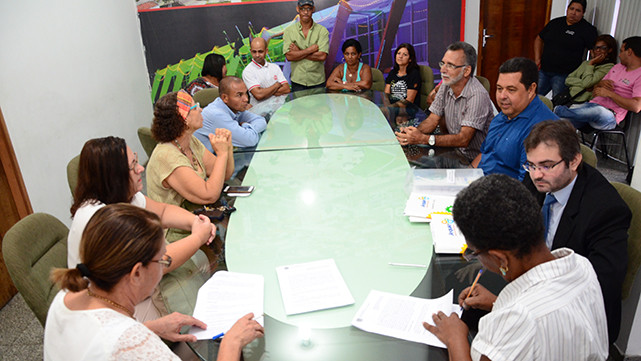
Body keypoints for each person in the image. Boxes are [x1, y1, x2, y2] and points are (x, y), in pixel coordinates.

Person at [45, 204, 264, 361]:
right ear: (137, 273)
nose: (165, 264)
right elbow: (119, 345)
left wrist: (150, 327)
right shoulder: (132, 342)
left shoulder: (66, 295)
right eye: (162, 259)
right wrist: (231, 344)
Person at [424, 174, 608, 361]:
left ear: (500, 259)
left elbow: (528, 320)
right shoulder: (581, 265)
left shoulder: (520, 319)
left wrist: (455, 338)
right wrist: (498, 304)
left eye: (474, 253)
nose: (476, 260)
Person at [68, 136, 215, 320]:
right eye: (133, 165)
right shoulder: (100, 219)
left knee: (199, 266)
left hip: (133, 286)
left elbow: (161, 212)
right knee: (191, 318)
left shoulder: (123, 194)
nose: (141, 168)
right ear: (115, 177)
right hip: (110, 309)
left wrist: (195, 222)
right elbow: (157, 262)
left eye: (136, 160)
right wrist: (197, 238)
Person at [522, 120, 631, 343]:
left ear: (574, 161)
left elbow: (597, 287)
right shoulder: (541, 177)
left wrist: (507, 302)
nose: (536, 175)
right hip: (536, 288)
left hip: (578, 319)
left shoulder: (606, 211)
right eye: (531, 165)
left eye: (546, 165)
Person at [394, 41, 494, 162]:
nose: (442, 70)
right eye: (443, 63)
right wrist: (412, 134)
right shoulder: (446, 85)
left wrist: (423, 139)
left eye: (450, 65)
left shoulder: (477, 95)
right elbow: (432, 120)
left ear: (466, 71)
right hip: (451, 150)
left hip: (472, 161)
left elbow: (464, 139)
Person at [472, 57, 559, 180]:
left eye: (511, 90)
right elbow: (485, 154)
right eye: (499, 88)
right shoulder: (504, 114)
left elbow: (527, 187)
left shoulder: (544, 130)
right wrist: (465, 178)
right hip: (479, 183)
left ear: (531, 90)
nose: (502, 96)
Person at [147, 90, 234, 210]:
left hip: (197, 216)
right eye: (195, 107)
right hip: (175, 226)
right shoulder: (167, 156)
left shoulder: (191, 141)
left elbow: (225, 174)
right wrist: (222, 154)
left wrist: (227, 146)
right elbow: (209, 195)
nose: (201, 110)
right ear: (183, 119)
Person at [554, 36, 641, 130]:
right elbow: (595, 90)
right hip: (590, 107)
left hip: (609, 115)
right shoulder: (617, 67)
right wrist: (600, 85)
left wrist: (610, 94)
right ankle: (559, 113)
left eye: (621, 51)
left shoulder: (639, 75)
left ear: (629, 52)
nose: (619, 55)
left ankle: (556, 109)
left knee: (597, 111)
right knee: (560, 122)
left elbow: (636, 107)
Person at [534, 0, 597, 97]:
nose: (573, 13)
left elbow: (593, 52)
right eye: (571, 9)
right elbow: (539, 38)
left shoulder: (587, 30)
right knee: (532, 98)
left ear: (583, 13)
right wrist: (537, 58)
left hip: (565, 75)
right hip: (544, 70)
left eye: (578, 10)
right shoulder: (555, 23)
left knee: (557, 102)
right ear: (567, 9)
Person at [196, 76, 267, 149]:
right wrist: (247, 127)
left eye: (246, 93)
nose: (246, 99)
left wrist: (246, 128)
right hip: (205, 159)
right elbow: (251, 140)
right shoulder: (217, 114)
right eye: (239, 95)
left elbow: (261, 120)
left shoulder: (234, 107)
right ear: (225, 98)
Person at [282, 0, 329, 91]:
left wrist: (298, 51)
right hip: (298, 82)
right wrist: (310, 50)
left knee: (319, 105)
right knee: (299, 105)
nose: (306, 12)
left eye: (308, 9)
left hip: (318, 82)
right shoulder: (289, 31)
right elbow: (289, 56)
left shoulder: (322, 31)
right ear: (297, 9)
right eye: (302, 9)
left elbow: (322, 56)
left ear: (313, 9)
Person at [563, 34, 618, 103]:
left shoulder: (608, 67)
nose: (598, 50)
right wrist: (588, 85)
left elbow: (587, 83)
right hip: (569, 97)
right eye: (596, 47)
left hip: (583, 101)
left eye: (603, 48)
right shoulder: (586, 63)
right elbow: (568, 79)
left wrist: (591, 64)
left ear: (610, 50)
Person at [242, 37, 290, 107]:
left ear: (266, 51)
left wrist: (265, 92)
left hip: (279, 110)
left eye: (260, 51)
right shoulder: (248, 71)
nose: (257, 55)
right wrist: (276, 85)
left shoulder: (274, 67)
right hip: (260, 113)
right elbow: (259, 95)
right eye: (254, 52)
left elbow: (286, 89)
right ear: (250, 51)